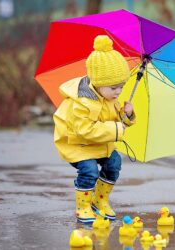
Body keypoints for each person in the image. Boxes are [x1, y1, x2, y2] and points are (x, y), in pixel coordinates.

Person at [53, 35, 136, 223]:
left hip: (99, 143)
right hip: (77, 144)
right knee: (90, 170)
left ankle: (100, 200)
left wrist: (127, 115)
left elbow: (118, 121)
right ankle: (83, 205)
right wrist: (116, 128)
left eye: (122, 86)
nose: (118, 91)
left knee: (114, 163)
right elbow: (85, 130)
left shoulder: (110, 98)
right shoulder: (82, 103)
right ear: (98, 83)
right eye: (114, 87)